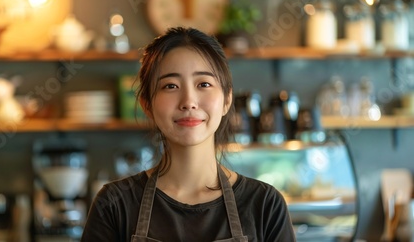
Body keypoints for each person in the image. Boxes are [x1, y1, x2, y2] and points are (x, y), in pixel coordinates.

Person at [81, 27, 296, 242]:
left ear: (227, 100)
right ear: (147, 105)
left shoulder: (265, 205)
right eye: (170, 86)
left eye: (204, 84)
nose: (188, 102)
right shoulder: (114, 205)